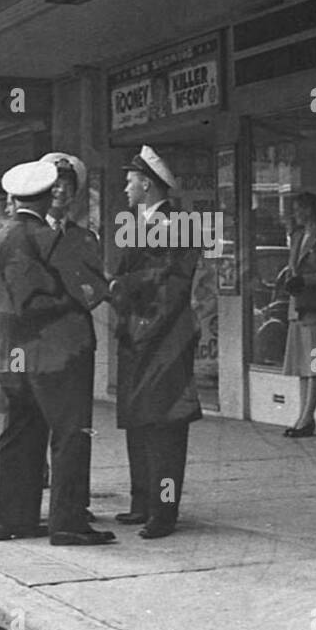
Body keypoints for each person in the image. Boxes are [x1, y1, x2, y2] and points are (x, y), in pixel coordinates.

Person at [0, 160, 112, 546]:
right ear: (44, 196)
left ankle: (9, 519)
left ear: (15, 197)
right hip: (60, 352)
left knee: (18, 433)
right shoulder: (53, 240)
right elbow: (87, 290)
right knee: (71, 434)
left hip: (11, 351)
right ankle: (68, 523)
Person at [109, 146, 202, 539]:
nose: (125, 187)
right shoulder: (136, 221)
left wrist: (121, 287)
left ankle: (163, 512)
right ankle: (141, 503)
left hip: (165, 340)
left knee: (165, 426)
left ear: (146, 184)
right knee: (140, 421)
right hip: (138, 336)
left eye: (130, 181)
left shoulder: (181, 223)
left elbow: (172, 284)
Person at [40, 151, 105, 522]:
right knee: (36, 424)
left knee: (77, 427)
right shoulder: (29, 232)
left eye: (68, 184)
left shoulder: (84, 237)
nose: (61, 190)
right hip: (39, 343)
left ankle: (74, 505)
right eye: (55, 183)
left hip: (76, 341)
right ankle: (36, 497)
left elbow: (95, 288)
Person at [275, 192, 316, 438]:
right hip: (299, 309)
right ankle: (302, 416)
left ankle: (307, 417)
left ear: (310, 210)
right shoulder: (297, 237)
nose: (295, 214)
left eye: (299, 209)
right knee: (302, 366)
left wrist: (306, 280)